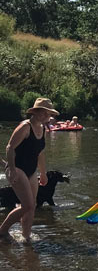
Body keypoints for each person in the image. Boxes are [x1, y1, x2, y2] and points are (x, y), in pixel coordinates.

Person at [0, 97, 56, 243]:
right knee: (27, 204)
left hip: (31, 171)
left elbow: (40, 153)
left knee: (33, 206)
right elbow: (10, 147)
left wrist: (43, 173)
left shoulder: (43, 129)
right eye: (43, 113)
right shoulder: (25, 127)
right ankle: (3, 230)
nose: (46, 116)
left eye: (48, 114)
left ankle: (26, 236)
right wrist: (11, 169)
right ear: (35, 112)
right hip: (17, 168)